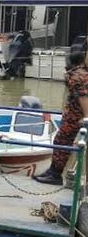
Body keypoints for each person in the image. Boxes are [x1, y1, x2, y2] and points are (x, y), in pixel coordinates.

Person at [33, 45, 88, 185]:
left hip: (75, 117)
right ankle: (53, 171)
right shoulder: (82, 74)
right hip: (74, 114)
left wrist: (86, 116)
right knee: (61, 141)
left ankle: (55, 174)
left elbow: (82, 96)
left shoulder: (76, 75)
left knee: (62, 141)